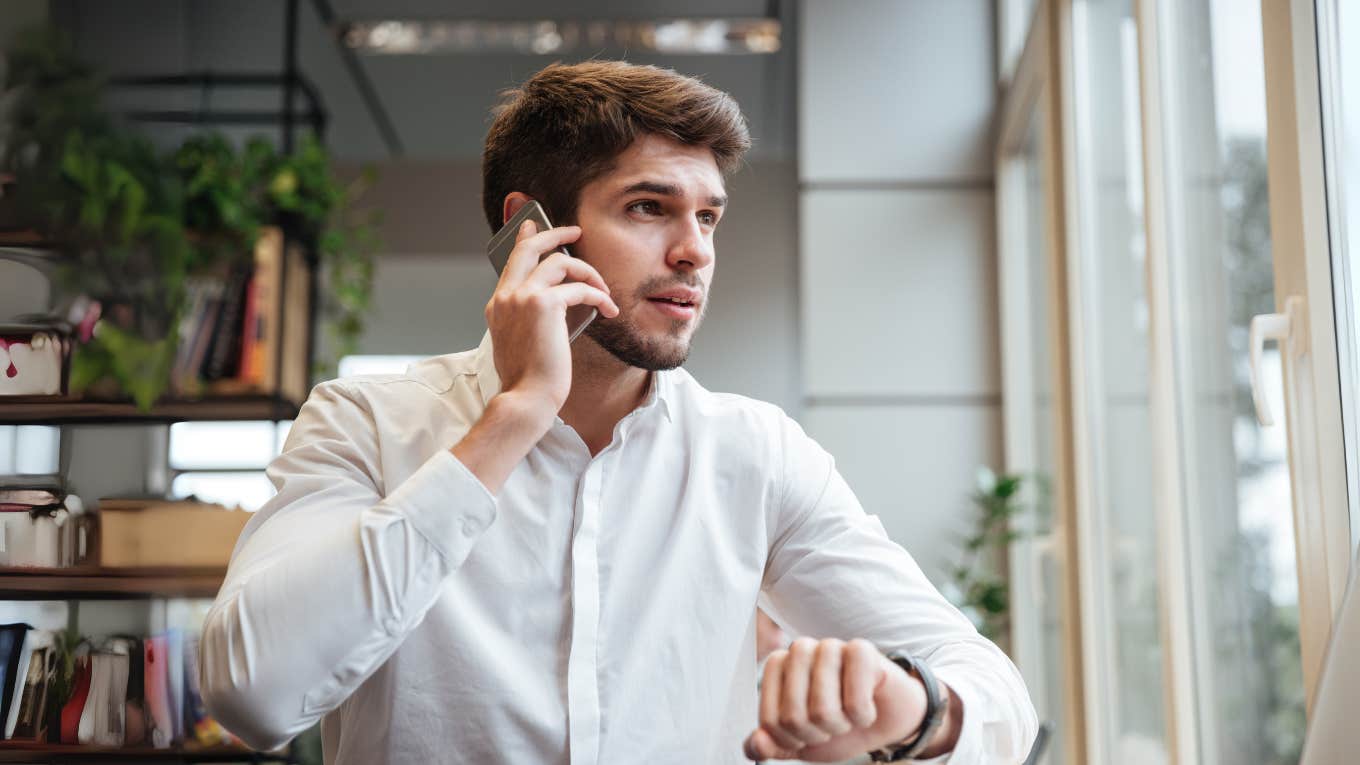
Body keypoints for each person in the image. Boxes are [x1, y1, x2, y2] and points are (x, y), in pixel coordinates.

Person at [199, 61, 1037, 764]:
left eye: (707, 215)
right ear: (529, 229)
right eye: (649, 207)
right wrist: (521, 410)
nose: (695, 250)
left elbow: (997, 691)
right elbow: (254, 695)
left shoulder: (755, 454)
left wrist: (915, 708)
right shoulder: (363, 424)